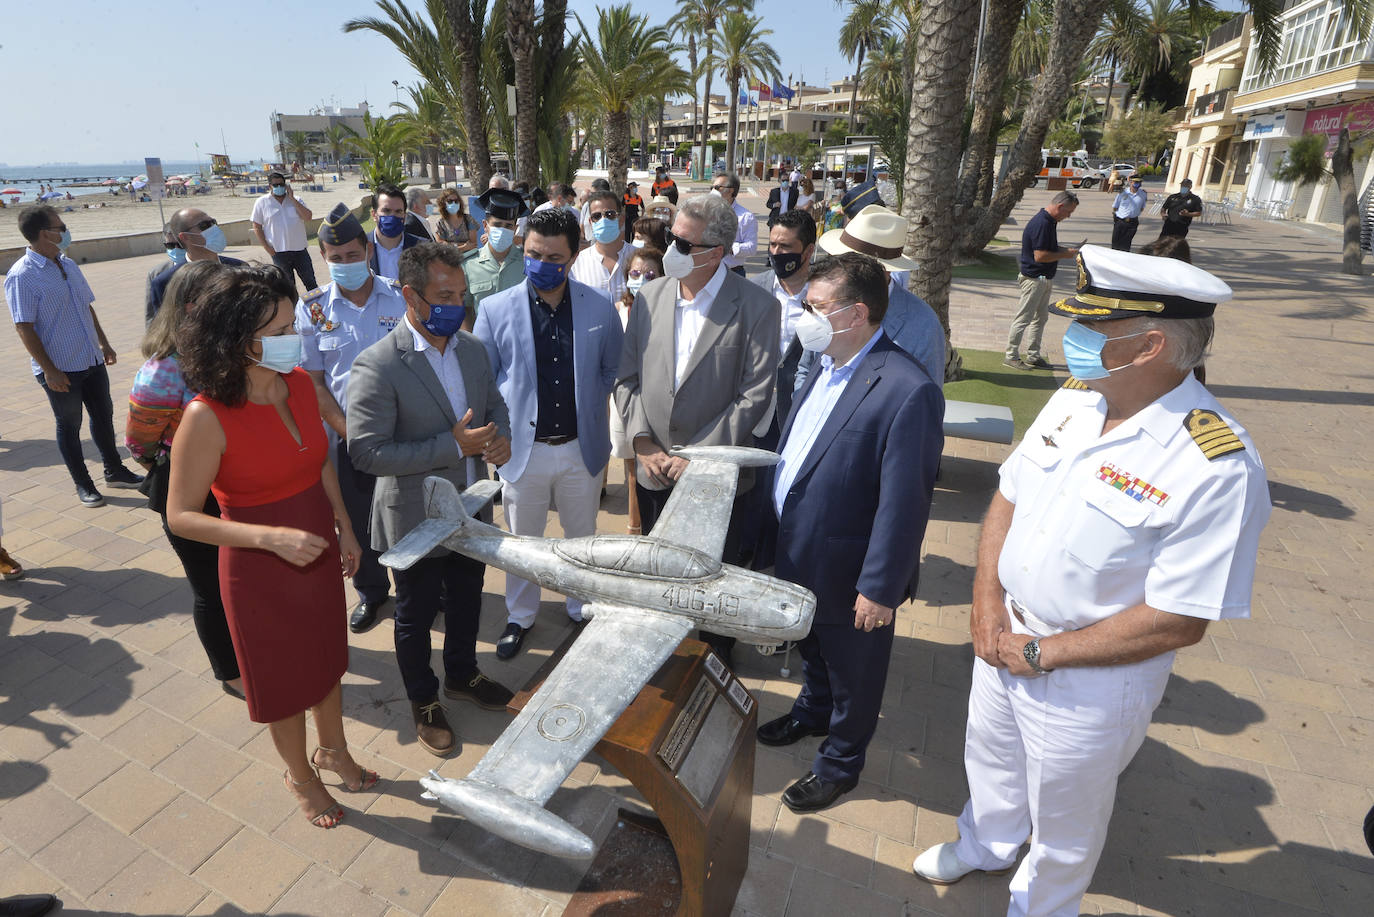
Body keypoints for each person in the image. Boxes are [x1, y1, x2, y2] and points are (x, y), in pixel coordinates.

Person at [912, 246, 1270, 916]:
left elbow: (1180, 617)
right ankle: (987, 843)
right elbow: (1009, 496)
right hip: (1005, 633)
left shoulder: (1215, 462)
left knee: (1066, 811)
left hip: (1090, 675)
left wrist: (1045, 653)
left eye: (1092, 329)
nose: (1071, 339)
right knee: (989, 757)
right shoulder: (1077, 398)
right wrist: (986, 603)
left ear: (1150, 344)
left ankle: (1042, 904)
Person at [167, 264, 376, 829]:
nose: (294, 341)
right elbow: (180, 516)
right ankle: (300, 777)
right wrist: (267, 537)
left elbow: (320, 468)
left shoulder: (303, 385)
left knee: (328, 661)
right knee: (284, 682)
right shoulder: (206, 416)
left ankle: (332, 749)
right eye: (280, 332)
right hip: (258, 565)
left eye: (292, 327)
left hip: (316, 547)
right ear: (234, 340)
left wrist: (346, 527)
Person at [762, 252, 943, 812]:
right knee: (813, 647)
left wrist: (880, 588)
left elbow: (905, 500)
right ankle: (811, 714)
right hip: (799, 548)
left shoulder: (905, 388)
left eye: (814, 307)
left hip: (851, 568)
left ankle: (841, 762)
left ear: (855, 314)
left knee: (854, 671)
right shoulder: (823, 363)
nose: (803, 316)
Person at [346, 243, 516, 756]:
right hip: (414, 516)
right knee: (415, 614)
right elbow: (367, 452)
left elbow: (494, 407)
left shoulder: (471, 349)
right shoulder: (377, 364)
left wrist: (501, 439)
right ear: (411, 296)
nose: (456, 306)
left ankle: (462, 674)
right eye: (444, 295)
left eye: (461, 295)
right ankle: (424, 700)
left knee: (467, 601)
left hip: (470, 507)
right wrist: (451, 446)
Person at [615, 193, 780, 664]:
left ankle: (711, 664)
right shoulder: (650, 296)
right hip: (653, 470)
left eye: (682, 243)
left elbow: (755, 394)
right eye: (671, 238)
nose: (670, 249)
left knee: (711, 584)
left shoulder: (756, 307)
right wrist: (643, 443)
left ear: (716, 252)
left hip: (716, 480)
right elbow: (627, 377)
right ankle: (662, 656)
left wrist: (699, 457)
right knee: (660, 576)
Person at [473, 208, 622, 659]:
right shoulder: (495, 309)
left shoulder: (599, 306)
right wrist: (493, 439)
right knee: (522, 542)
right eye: (534, 254)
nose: (542, 264)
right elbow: (484, 381)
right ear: (524, 249)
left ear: (573, 256)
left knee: (583, 537)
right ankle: (520, 616)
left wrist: (591, 412)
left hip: (581, 449)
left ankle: (580, 606)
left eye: (554, 257)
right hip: (522, 452)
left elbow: (611, 369)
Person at [126, 261, 242, 698]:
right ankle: (229, 672)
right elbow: (140, 443)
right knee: (210, 587)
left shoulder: (226, 351)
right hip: (189, 492)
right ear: (192, 306)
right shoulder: (163, 370)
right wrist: (178, 462)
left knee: (238, 579)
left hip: (233, 481)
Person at [296, 203, 408, 634]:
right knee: (358, 516)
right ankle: (372, 592)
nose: (344, 263)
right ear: (323, 257)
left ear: (367, 250)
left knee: (406, 511)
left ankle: (414, 585)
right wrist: (351, 433)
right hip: (345, 436)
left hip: (403, 430)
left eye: (351, 254)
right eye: (335, 257)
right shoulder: (314, 310)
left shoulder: (400, 295)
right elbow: (316, 383)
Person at [4, 205, 144, 508]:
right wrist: (49, 370)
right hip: (60, 367)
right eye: (60, 226)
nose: (65, 230)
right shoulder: (22, 275)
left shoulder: (67, 264)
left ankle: (115, 470)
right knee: (69, 425)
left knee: (103, 416)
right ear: (44, 233)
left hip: (90, 359)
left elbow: (85, 306)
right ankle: (84, 484)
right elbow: (23, 327)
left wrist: (104, 344)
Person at [812, 205, 944, 382]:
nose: (839, 268)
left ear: (885, 270)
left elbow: (926, 398)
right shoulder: (824, 301)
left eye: (850, 263)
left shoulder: (923, 324)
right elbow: (806, 367)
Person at [611, 247, 663, 535]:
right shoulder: (618, 310)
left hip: (656, 400)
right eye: (635, 273)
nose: (641, 279)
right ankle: (634, 526)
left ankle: (643, 527)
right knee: (631, 467)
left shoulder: (667, 312)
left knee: (650, 469)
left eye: (649, 274)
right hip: (625, 398)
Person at [1005, 190, 1079, 371]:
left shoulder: (1049, 222)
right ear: (1060, 206)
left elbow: (1049, 248)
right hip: (1034, 279)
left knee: (1040, 319)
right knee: (1023, 318)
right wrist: (1066, 254)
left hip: (1043, 279)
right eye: (1068, 212)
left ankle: (1033, 355)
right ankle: (1011, 355)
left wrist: (1067, 250)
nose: (1068, 217)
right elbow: (1040, 256)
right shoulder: (1042, 223)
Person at [145, 207, 245, 324]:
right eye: (204, 226)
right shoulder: (165, 282)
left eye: (213, 222)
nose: (214, 228)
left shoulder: (241, 268)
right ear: (185, 237)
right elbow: (163, 331)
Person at [461, 187, 530, 326]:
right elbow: (466, 310)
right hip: (482, 344)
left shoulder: (527, 263)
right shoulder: (469, 264)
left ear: (515, 229)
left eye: (508, 226)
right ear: (485, 226)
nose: (503, 230)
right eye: (497, 224)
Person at [251, 172, 316, 292]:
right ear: (270, 186)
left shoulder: (296, 200)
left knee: (311, 282)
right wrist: (267, 247)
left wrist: (292, 198)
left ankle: (317, 309)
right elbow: (257, 226)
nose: (279, 187)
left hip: (300, 250)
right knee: (288, 288)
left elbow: (308, 217)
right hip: (279, 252)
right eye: (275, 185)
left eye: (281, 184)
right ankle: (293, 310)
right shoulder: (262, 202)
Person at [569, 190, 632, 302]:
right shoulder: (577, 262)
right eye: (597, 216)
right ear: (591, 222)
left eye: (610, 214)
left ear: (621, 219)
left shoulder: (637, 256)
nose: (603, 220)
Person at [369, 185, 428, 281]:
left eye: (398, 211)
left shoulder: (422, 248)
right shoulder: (361, 248)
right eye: (386, 211)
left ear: (404, 216)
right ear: (374, 215)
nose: (392, 216)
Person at [711, 171, 759, 276]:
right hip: (708, 273)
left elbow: (752, 248)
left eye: (718, 187)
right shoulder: (707, 212)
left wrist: (728, 248)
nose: (713, 191)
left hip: (733, 273)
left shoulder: (746, 217)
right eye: (712, 188)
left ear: (731, 191)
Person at [433, 188, 480, 253]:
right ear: (443, 203)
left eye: (456, 201)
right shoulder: (440, 223)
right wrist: (463, 247)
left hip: (469, 257)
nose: (453, 203)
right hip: (450, 259)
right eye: (450, 201)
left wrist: (450, 245)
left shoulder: (468, 219)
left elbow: (473, 244)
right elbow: (441, 245)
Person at [1111, 176, 1148, 252]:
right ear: (1130, 182)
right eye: (1135, 182)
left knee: (1126, 245)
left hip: (1132, 223)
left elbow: (1142, 207)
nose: (1137, 184)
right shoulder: (1123, 193)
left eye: (1139, 182)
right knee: (1115, 244)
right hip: (1120, 221)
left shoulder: (1143, 194)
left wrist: (1133, 213)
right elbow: (1115, 206)